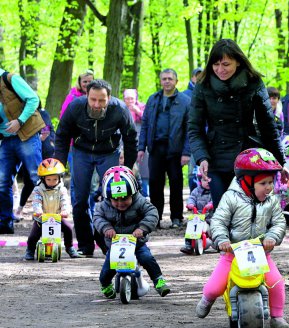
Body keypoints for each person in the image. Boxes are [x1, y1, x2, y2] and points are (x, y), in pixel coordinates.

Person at [195, 148, 289, 328]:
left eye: (271, 182)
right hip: (233, 254)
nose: (269, 187)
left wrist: (272, 237)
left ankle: (277, 317)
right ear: (247, 182)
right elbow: (218, 221)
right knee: (215, 287)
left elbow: (279, 222)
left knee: (276, 282)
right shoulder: (231, 198)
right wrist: (222, 239)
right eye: (263, 183)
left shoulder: (271, 201)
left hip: (261, 253)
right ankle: (206, 299)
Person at [187, 38, 285, 207]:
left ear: (238, 62)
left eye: (226, 64)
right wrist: (201, 157)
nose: (220, 69)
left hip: (249, 157)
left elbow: (267, 125)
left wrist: (279, 162)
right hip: (215, 156)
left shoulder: (253, 83)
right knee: (222, 209)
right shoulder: (203, 85)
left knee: (247, 212)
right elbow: (194, 127)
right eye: (216, 64)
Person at [54, 79, 138, 257]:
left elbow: (131, 138)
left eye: (101, 101)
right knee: (80, 198)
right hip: (81, 152)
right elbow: (61, 135)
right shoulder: (76, 107)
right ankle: (85, 246)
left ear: (109, 98)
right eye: (93, 100)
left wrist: (128, 169)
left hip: (109, 153)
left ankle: (112, 243)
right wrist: (59, 165)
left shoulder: (120, 109)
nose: (96, 104)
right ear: (87, 96)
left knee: (115, 195)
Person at [95, 166, 171, 298]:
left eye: (124, 198)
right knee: (107, 270)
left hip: (136, 242)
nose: (120, 203)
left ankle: (158, 280)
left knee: (147, 258)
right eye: (115, 199)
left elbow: (152, 213)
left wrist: (142, 228)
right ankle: (106, 284)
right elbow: (97, 217)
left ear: (133, 193)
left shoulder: (140, 201)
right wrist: (106, 228)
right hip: (115, 245)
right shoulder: (104, 205)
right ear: (108, 197)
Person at [137, 69, 191, 229]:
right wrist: (141, 148)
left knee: (176, 184)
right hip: (156, 148)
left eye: (170, 79)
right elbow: (145, 124)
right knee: (155, 184)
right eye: (164, 79)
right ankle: (155, 218)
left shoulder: (185, 101)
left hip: (175, 150)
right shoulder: (153, 99)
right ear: (160, 81)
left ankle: (176, 217)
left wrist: (186, 152)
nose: (167, 81)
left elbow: (189, 129)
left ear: (176, 81)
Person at [0, 67, 45, 234]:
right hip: (6, 139)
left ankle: (48, 221)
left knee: (37, 177)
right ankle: (5, 222)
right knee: (2, 182)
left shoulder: (9, 79)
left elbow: (33, 99)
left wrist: (19, 120)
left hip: (27, 135)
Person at [23, 158, 80, 260]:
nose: (52, 182)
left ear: (59, 178)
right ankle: (30, 250)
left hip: (57, 217)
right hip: (42, 218)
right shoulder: (38, 189)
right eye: (48, 179)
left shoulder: (62, 189)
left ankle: (70, 247)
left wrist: (65, 210)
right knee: (33, 236)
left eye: (55, 179)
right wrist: (38, 211)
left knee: (68, 228)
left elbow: (64, 201)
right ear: (43, 178)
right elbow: (36, 201)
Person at [123, 89, 149, 197]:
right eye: (127, 99)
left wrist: (137, 111)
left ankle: (145, 193)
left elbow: (149, 120)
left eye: (132, 98)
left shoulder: (142, 107)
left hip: (142, 142)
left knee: (144, 170)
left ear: (136, 98)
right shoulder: (121, 108)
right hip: (125, 143)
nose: (130, 101)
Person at [180, 169, 213, 255]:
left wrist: (211, 204)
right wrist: (190, 204)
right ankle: (189, 245)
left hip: (211, 217)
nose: (207, 182)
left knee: (215, 227)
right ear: (200, 181)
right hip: (198, 215)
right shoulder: (196, 191)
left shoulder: (214, 191)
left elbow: (217, 199)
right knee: (191, 224)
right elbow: (192, 198)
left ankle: (218, 242)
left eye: (210, 180)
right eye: (205, 180)